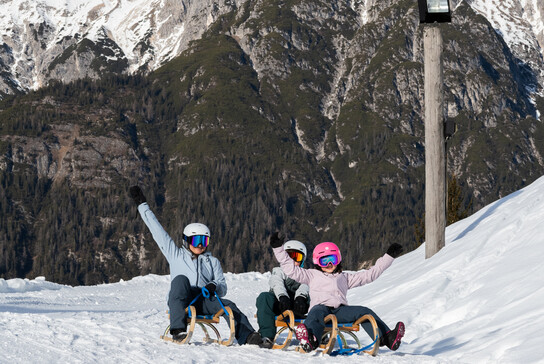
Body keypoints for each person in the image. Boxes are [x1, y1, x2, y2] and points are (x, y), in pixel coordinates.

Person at [129, 186, 262, 346]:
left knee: (229, 305)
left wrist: (214, 286)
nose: (200, 245)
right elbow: (157, 231)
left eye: (204, 241)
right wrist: (142, 205)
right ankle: (178, 330)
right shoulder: (175, 254)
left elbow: (222, 286)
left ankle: (248, 335)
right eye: (196, 241)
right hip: (183, 300)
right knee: (180, 281)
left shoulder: (212, 261)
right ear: (186, 241)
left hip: (205, 300)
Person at [270, 232, 405, 353]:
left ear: (338, 259)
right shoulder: (311, 275)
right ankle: (310, 339)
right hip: (320, 308)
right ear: (318, 262)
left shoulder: (345, 277)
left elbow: (370, 275)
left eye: (332, 260)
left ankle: (387, 338)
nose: (329, 264)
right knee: (316, 313)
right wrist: (278, 249)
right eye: (324, 261)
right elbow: (291, 269)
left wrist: (388, 257)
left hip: (339, 311)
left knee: (364, 311)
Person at [256, 239, 311, 349]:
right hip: (280, 304)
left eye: (297, 257)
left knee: (318, 296)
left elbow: (306, 284)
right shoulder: (278, 271)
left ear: (302, 260)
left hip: (298, 307)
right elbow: (276, 282)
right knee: (264, 297)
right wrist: (282, 296)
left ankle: (317, 332)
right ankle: (267, 336)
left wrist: (301, 297)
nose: (292, 261)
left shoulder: (306, 273)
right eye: (289, 257)